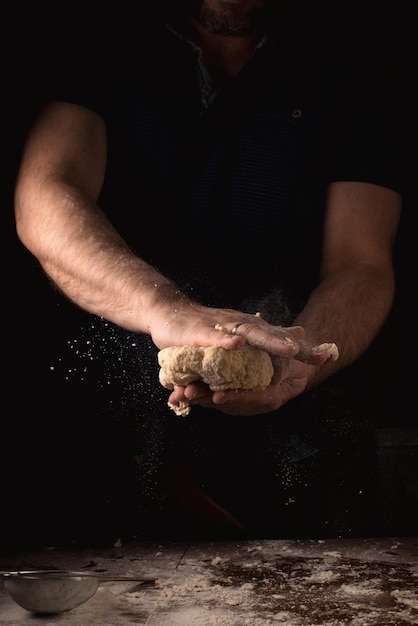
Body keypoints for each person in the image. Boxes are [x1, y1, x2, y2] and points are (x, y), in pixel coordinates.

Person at [12, 1, 404, 541]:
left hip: (297, 434)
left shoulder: (351, 55)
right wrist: (165, 309)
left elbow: (361, 262)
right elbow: (46, 195)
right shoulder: (99, 32)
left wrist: (305, 355)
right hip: (99, 438)